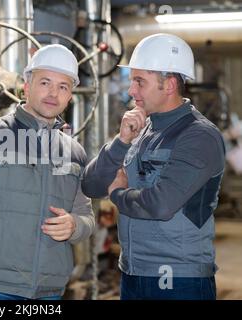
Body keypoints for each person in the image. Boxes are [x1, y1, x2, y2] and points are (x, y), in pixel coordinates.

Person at [81, 33, 225, 300]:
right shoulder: (142, 130)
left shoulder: (199, 136)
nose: (131, 90)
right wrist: (121, 142)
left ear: (169, 84)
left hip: (178, 277)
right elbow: (90, 185)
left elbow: (161, 203)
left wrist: (117, 195)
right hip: (133, 272)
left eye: (139, 81)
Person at [0, 44, 95, 300]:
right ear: (26, 86)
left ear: (70, 95)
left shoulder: (74, 152)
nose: (53, 93)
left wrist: (74, 225)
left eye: (63, 86)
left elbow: (87, 217)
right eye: (45, 82)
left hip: (49, 290)